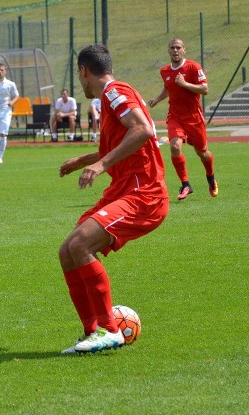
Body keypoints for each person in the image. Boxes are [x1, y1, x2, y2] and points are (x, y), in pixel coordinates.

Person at [58, 44, 168, 354]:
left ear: (83, 72)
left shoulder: (112, 91)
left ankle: (109, 329)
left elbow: (143, 130)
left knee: (80, 244)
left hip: (143, 193)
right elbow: (124, 140)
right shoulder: (112, 97)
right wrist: (83, 160)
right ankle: (91, 332)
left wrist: (100, 165)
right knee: (67, 251)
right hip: (123, 190)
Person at [148, 37, 218, 200]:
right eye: (172, 48)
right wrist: (157, 100)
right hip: (175, 116)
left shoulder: (193, 67)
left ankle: (211, 177)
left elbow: (205, 89)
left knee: (203, 153)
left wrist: (185, 84)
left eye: (178, 47)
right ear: (168, 50)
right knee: (174, 147)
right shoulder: (164, 71)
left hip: (194, 118)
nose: (175, 50)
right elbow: (168, 88)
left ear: (184, 50)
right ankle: (186, 184)